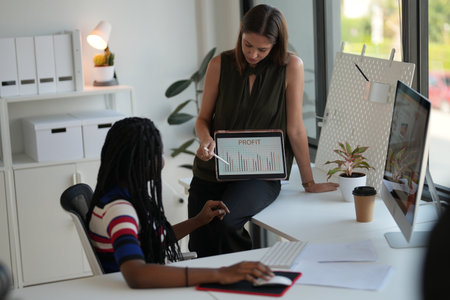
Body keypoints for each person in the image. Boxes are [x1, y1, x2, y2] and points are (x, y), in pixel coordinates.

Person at [188, 4, 339, 258]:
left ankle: (245, 278)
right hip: (214, 166)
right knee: (202, 235)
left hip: (260, 172)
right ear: (241, 35)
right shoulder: (219, 64)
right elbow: (203, 119)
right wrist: (205, 140)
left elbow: (296, 129)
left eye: (262, 49)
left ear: (276, 45)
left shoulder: (291, 67)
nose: (253, 54)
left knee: (225, 222)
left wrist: (308, 181)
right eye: (248, 45)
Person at [86, 117, 274, 289]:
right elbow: (136, 273)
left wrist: (198, 220)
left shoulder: (122, 196)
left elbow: (153, 242)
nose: (162, 161)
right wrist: (220, 273)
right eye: (157, 154)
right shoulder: (120, 210)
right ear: (138, 163)